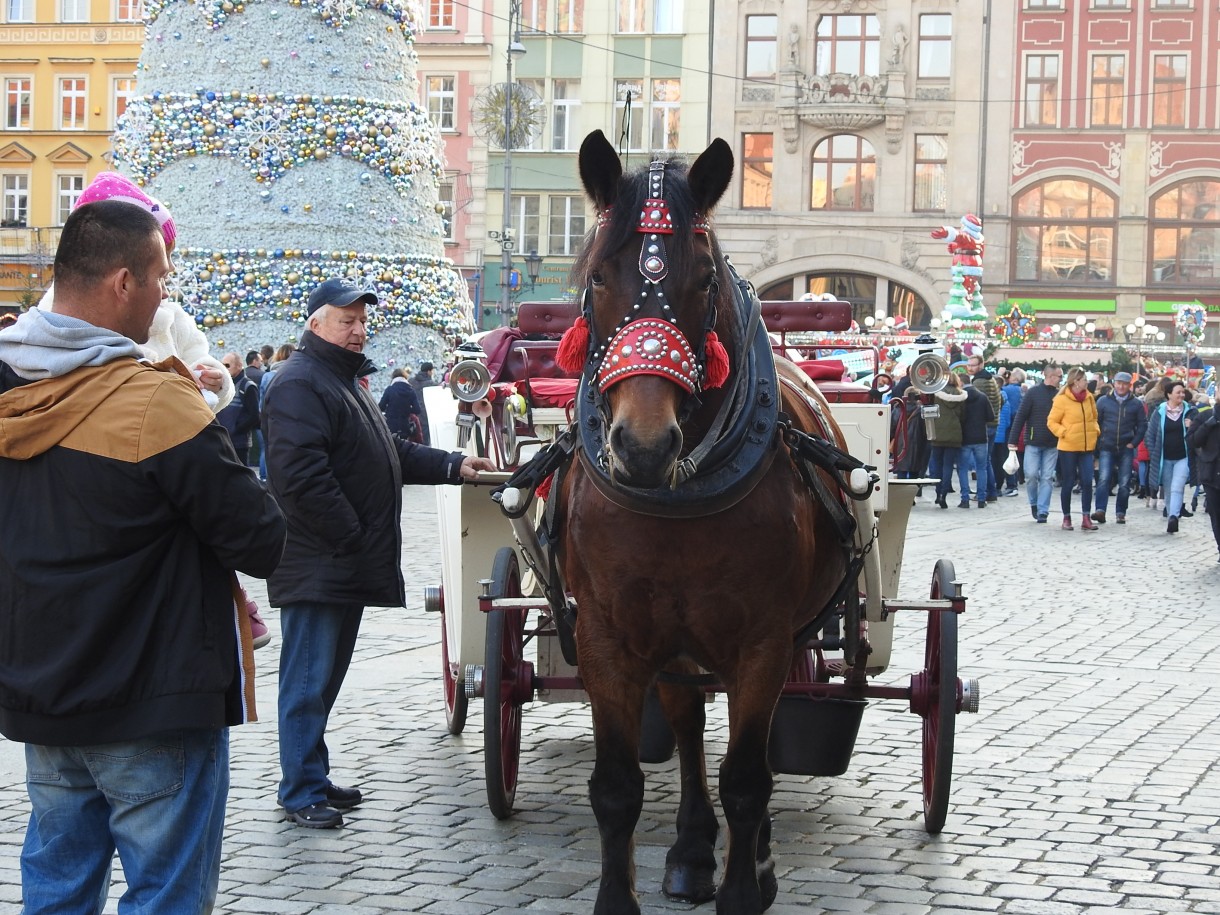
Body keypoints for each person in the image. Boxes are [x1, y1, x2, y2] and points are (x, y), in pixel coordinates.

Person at [0, 200, 286, 913]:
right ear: (123, 282)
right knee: (166, 896)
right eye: (162, 276)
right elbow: (260, 537)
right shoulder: (157, 400)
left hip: (45, 695)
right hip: (152, 696)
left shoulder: (10, 383)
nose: (169, 292)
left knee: (57, 891)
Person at [262, 277, 495, 829]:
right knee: (306, 680)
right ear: (316, 323)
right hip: (321, 560)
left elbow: (389, 450)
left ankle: (310, 776)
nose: (359, 331)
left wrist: (452, 465)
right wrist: (350, 536)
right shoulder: (300, 382)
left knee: (324, 679)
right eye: (347, 321)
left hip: (339, 559)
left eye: (363, 322)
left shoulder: (340, 381)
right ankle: (299, 790)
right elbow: (299, 478)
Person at [39, 171, 232, 413]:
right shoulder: (62, 317)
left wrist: (213, 379)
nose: (171, 268)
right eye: (161, 267)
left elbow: (198, 356)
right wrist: (170, 384)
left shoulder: (172, 316)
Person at [1008, 363, 1063, 523]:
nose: (1061, 379)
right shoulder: (1033, 393)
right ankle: (1034, 503)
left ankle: (1043, 510)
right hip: (1033, 441)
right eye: (1059, 376)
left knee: (1047, 477)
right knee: (1031, 475)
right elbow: (1021, 416)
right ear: (1051, 376)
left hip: (1053, 443)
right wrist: (1013, 440)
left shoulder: (1060, 395)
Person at [1047, 366, 1101, 531]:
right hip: (1068, 446)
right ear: (1076, 381)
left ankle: (1086, 517)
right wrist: (1064, 432)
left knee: (1086, 481)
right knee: (1069, 482)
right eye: (1084, 379)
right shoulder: (1062, 400)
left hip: (1086, 446)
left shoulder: (1089, 398)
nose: (1087, 382)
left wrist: (1095, 430)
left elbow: (1094, 417)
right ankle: (1066, 517)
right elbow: (1052, 421)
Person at [1092, 371, 1146, 525]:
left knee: (1124, 482)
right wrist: (1098, 443)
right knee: (1103, 479)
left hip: (1125, 446)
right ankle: (1100, 510)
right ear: (1114, 383)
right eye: (1119, 383)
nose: (1121, 386)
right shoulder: (1103, 401)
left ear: (1129, 386)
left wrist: (1134, 442)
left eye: (1124, 384)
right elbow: (1096, 423)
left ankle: (1120, 512)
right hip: (1106, 446)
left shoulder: (1136, 404)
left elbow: (1142, 425)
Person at [1144, 379, 1197, 533]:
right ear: (1169, 395)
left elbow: (1200, 431)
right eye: (1178, 392)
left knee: (1177, 487)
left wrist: (1191, 426)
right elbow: (1150, 435)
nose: (1182, 394)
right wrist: (1154, 451)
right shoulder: (1159, 412)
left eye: (1183, 392)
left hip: (1183, 457)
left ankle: (1174, 516)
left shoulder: (1191, 411)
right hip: (1164, 458)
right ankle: (1171, 515)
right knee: (1167, 488)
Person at [924, 371, 966, 509]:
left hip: (938, 434)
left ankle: (937, 493)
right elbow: (963, 416)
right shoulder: (961, 395)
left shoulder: (936, 393)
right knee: (948, 466)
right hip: (954, 435)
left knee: (936, 464)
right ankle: (943, 494)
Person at [965, 354, 1002, 502]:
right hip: (993, 423)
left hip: (984, 425)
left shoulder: (979, 382)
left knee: (981, 462)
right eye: (969, 365)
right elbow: (1001, 399)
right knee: (986, 461)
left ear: (981, 365)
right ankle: (991, 491)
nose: (970, 368)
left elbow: (975, 405)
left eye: (973, 365)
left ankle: (987, 492)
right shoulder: (991, 379)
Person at [1187, 396, 1220, 560]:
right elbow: (1192, 440)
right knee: (1216, 514)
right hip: (1211, 473)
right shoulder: (1205, 415)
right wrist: (1210, 423)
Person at [959, 375, 996, 508]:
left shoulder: (961, 398)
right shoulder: (982, 397)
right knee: (981, 468)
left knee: (962, 469)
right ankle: (981, 499)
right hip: (981, 437)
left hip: (965, 438)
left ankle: (965, 499)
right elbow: (990, 416)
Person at [218, 351, 261, 466]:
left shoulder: (248, 386)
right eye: (222, 365)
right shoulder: (222, 385)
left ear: (239, 366)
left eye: (227, 365)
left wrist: (236, 429)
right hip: (222, 442)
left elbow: (254, 415)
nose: (224, 368)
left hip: (239, 443)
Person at [994, 367, 1024, 495]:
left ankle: (1009, 485)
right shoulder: (1020, 390)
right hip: (1014, 427)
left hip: (1004, 429)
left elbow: (998, 388)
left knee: (1002, 458)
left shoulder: (1007, 391)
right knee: (1010, 456)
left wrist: (1000, 376)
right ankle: (1013, 483)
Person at [379, 366, 425, 442]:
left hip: (390, 426)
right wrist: (406, 409)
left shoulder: (389, 389)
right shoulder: (411, 390)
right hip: (405, 426)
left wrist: (390, 409)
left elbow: (381, 407)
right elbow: (417, 410)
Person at [409, 360, 439, 444]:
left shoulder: (411, 381)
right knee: (425, 440)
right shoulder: (431, 384)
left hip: (412, 414)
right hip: (426, 415)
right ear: (429, 371)